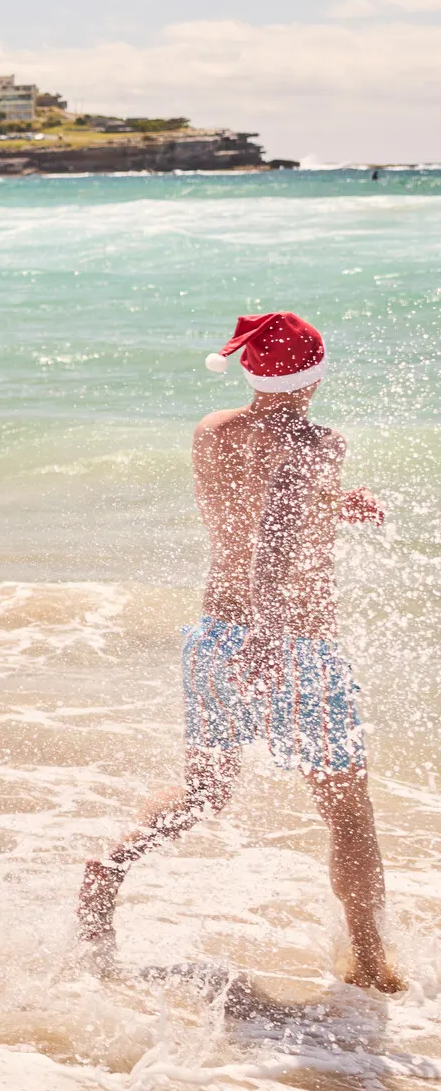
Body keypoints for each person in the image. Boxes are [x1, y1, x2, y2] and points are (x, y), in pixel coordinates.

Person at [81, 313, 401, 991]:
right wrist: (268, 628)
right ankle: (372, 967)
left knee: (203, 793)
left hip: (214, 638)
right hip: (289, 644)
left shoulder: (212, 432)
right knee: (347, 810)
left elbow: (259, 503)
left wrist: (336, 504)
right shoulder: (319, 440)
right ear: (315, 377)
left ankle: (108, 866)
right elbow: (279, 531)